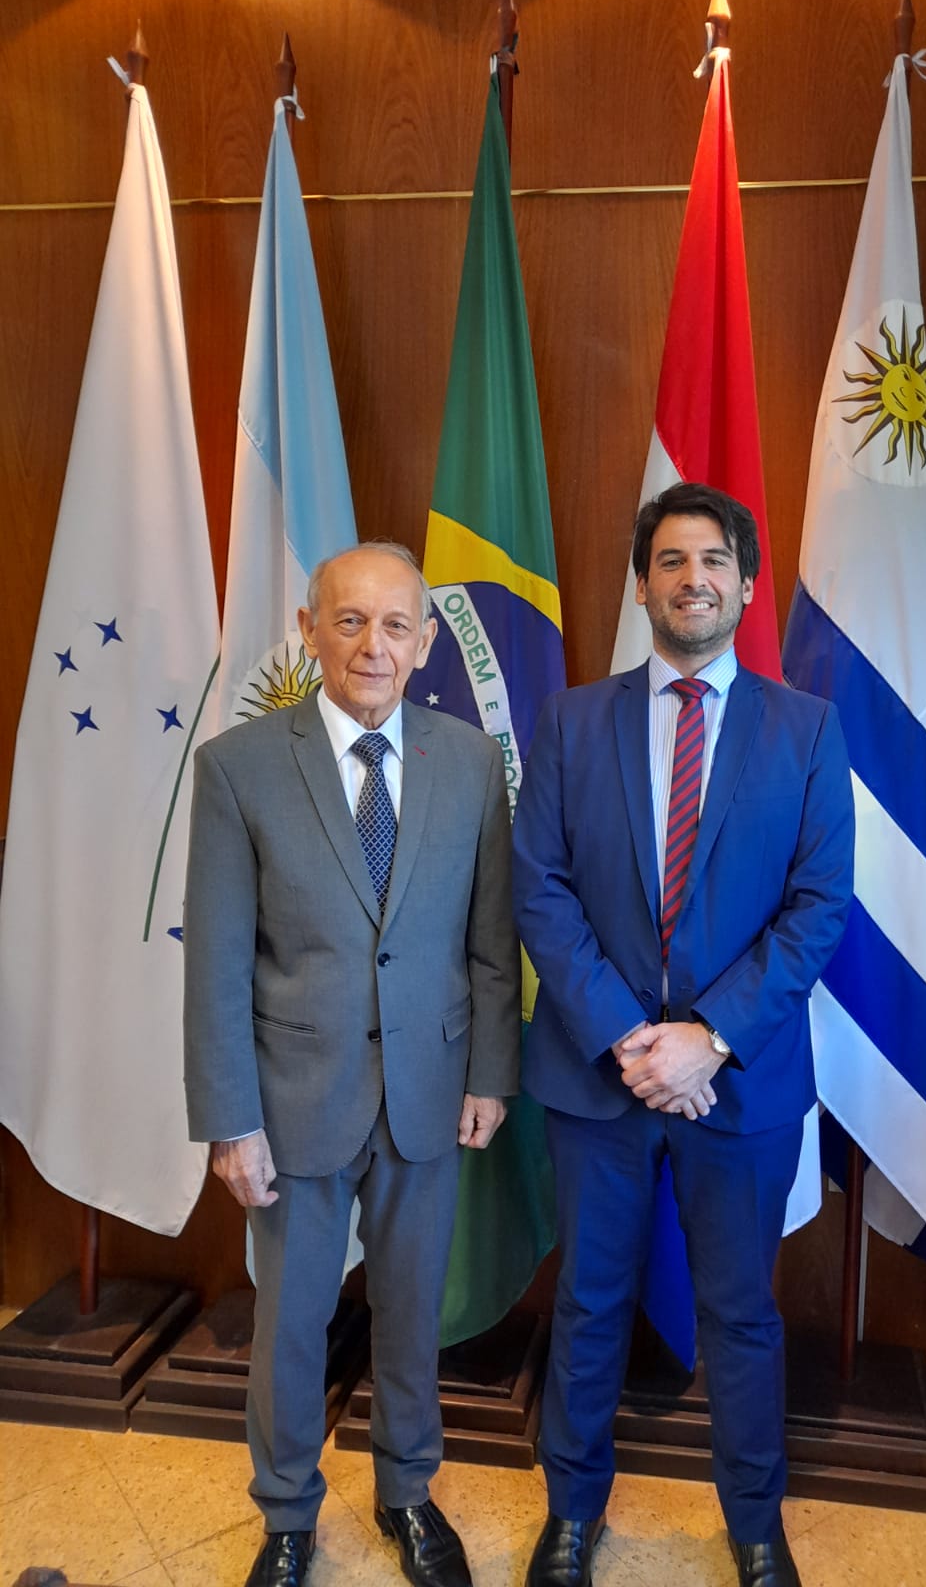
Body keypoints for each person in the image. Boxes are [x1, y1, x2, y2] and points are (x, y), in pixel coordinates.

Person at [512, 483, 854, 1587]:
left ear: (745, 585)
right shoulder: (570, 722)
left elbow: (820, 907)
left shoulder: (807, 729)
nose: (692, 578)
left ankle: (754, 1525)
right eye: (670, 560)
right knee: (588, 1302)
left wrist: (708, 1036)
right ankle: (572, 1515)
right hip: (597, 1077)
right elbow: (540, 891)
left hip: (740, 1083)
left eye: (713, 560)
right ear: (642, 583)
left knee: (742, 1313)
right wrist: (629, 1035)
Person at [184, 542, 521, 1587]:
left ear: (424, 643)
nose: (374, 645)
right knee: (291, 1323)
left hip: (430, 1092)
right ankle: (288, 1514)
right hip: (293, 1103)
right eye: (350, 620)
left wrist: (491, 1073)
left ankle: (407, 1494)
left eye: (395, 625)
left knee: (412, 1312)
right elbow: (217, 961)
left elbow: (490, 941)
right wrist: (230, 1121)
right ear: (308, 629)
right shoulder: (238, 767)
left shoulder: (471, 763)